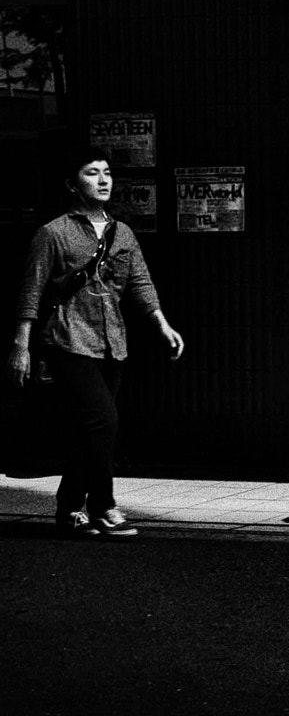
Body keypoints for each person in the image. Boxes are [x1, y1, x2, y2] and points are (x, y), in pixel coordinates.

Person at [9, 146, 185, 537]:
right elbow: (32, 290)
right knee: (104, 420)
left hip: (112, 343)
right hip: (66, 339)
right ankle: (104, 505)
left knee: (86, 429)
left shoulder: (123, 233)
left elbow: (140, 283)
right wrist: (21, 346)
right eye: (92, 173)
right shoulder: (53, 233)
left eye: (107, 172)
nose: (103, 180)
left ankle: (70, 507)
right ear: (73, 184)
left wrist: (162, 326)